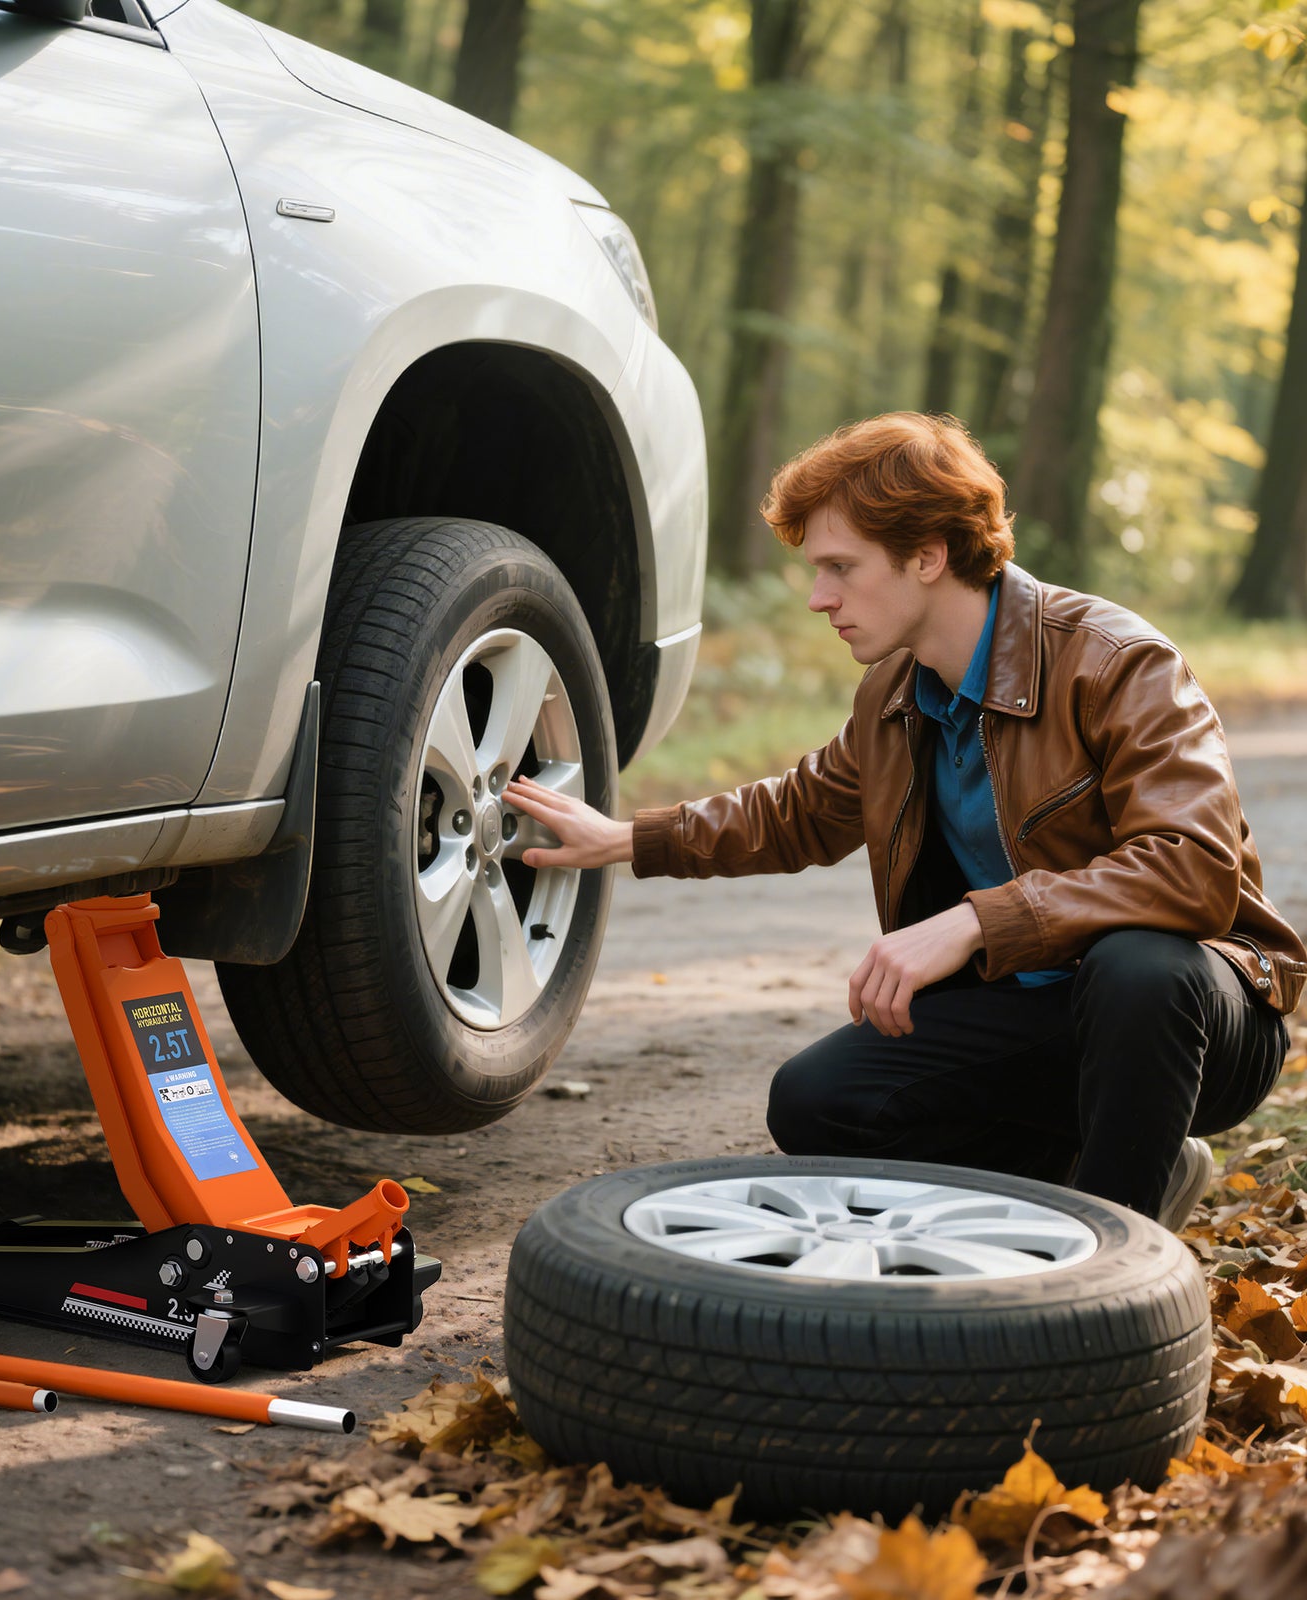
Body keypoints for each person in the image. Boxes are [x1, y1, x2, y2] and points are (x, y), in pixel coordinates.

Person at [505, 412, 1304, 1231]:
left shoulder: (1117, 662)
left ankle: (1114, 1252)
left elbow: (1195, 867)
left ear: (928, 555)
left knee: (1138, 966)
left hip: (1196, 1015)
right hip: (1038, 1014)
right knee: (818, 1100)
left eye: (841, 568)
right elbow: (798, 812)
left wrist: (975, 921)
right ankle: (1115, 1161)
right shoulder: (894, 692)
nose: (819, 598)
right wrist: (625, 838)